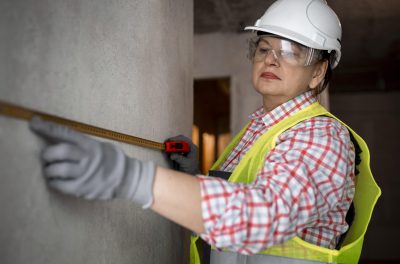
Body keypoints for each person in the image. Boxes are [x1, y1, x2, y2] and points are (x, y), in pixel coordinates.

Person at [29, 0, 380, 263]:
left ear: (318, 72)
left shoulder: (321, 136)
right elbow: (244, 196)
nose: (270, 59)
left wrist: (132, 178)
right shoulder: (262, 126)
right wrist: (193, 175)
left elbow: (266, 214)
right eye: (263, 47)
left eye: (290, 51)